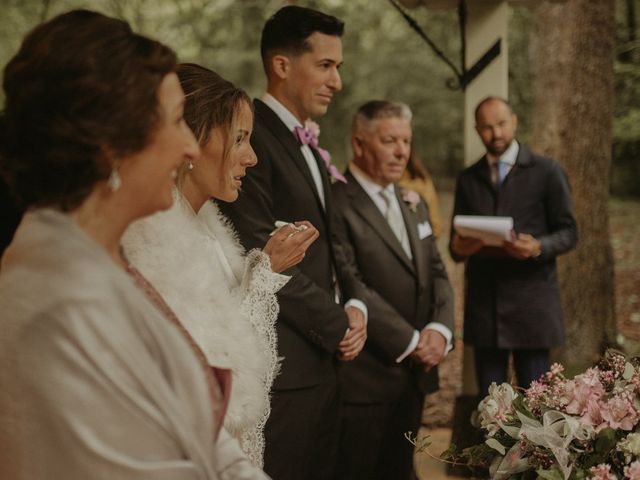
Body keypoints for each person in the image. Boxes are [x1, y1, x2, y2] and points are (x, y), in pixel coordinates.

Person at [0, 10, 268, 479]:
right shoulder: (63, 310)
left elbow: (202, 431)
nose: (189, 148)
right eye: (176, 122)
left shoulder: (102, 263)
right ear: (111, 147)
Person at [122, 63, 318, 467]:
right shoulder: (153, 241)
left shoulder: (209, 230)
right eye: (240, 139)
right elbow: (216, 380)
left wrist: (265, 267)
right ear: (191, 142)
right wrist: (265, 276)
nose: (251, 157)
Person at [217, 6, 368, 480]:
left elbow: (331, 238)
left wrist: (356, 301)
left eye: (338, 68)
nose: (336, 82)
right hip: (284, 365)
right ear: (282, 65)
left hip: (322, 363)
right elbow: (258, 244)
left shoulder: (308, 144)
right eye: (326, 65)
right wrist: (336, 320)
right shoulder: (253, 137)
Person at [331, 100, 455, 480]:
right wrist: (411, 340)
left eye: (406, 140)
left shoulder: (410, 201)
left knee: (401, 469)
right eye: (389, 140)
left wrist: (441, 330)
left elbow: (437, 271)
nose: (402, 151)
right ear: (359, 143)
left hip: (414, 377)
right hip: (366, 375)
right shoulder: (336, 201)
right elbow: (351, 280)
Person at [449, 96, 578, 394]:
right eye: (486, 127)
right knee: (491, 411)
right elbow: (455, 247)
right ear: (476, 129)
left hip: (532, 309)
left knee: (538, 412)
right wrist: (461, 248)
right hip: (485, 309)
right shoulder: (468, 179)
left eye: (502, 124)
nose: (496, 134)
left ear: (515, 121)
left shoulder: (547, 171)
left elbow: (570, 232)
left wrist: (537, 247)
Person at [398, 147, 444, 237]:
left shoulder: (420, 183)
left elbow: (435, 227)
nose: (400, 150)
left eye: (405, 141)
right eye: (389, 141)